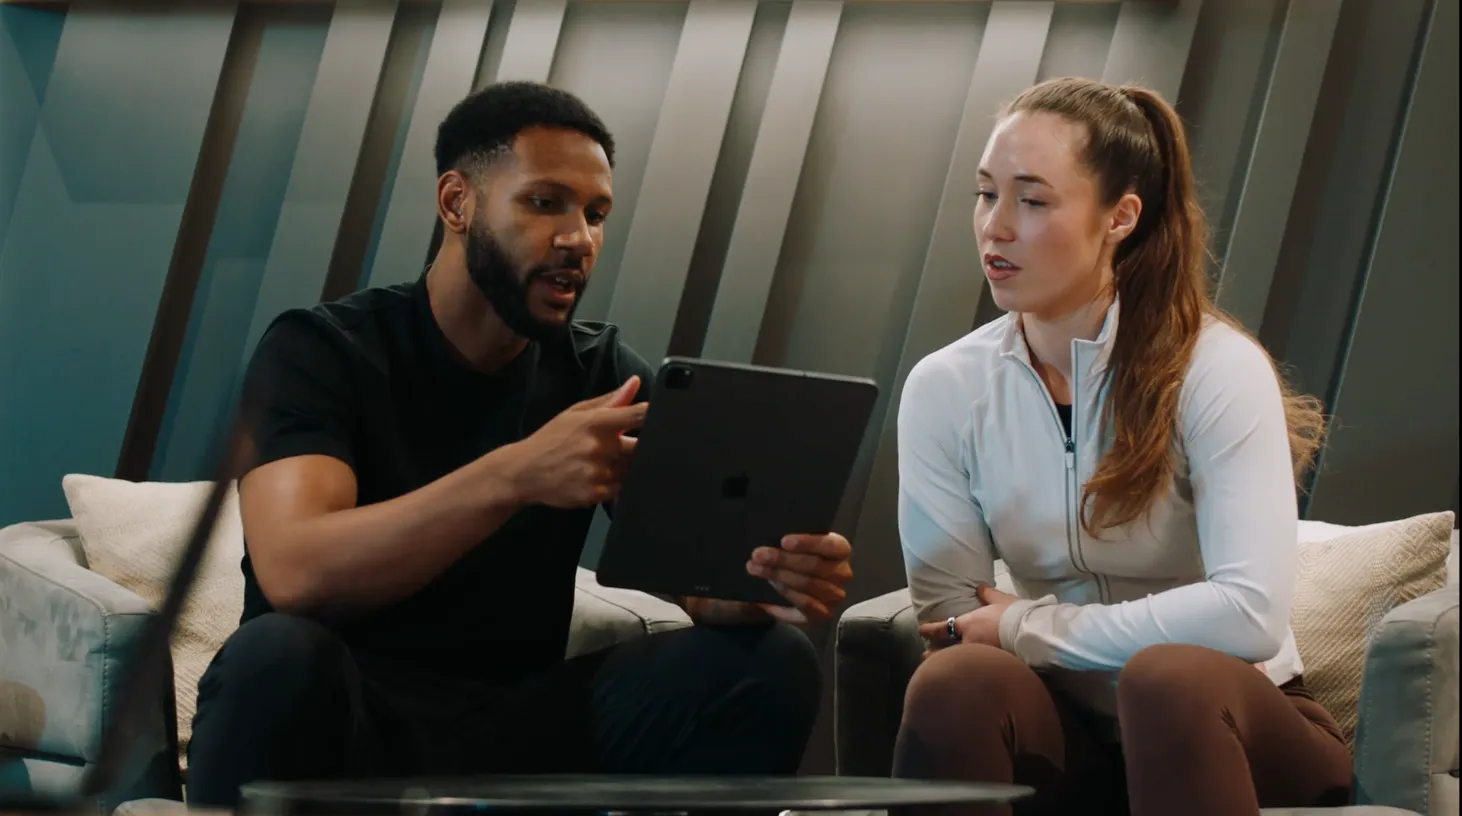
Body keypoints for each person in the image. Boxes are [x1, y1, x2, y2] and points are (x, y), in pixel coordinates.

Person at [186, 80, 855, 808]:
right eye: (544, 203)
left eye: (596, 214)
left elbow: (700, 589)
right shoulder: (322, 351)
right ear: (456, 202)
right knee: (277, 653)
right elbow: (296, 574)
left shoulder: (603, 378)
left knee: (767, 662)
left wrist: (761, 582)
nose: (578, 238)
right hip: (348, 724)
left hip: (515, 735)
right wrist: (516, 475)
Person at [889, 76, 1349, 816]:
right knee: (957, 682)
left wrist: (1029, 624)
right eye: (985, 194)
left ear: (1120, 217)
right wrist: (1006, 634)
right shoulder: (946, 387)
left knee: (1167, 677)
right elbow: (952, 619)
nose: (995, 227)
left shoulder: (1214, 367)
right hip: (1068, 724)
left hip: (1230, 724)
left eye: (1032, 200)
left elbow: (1247, 614)